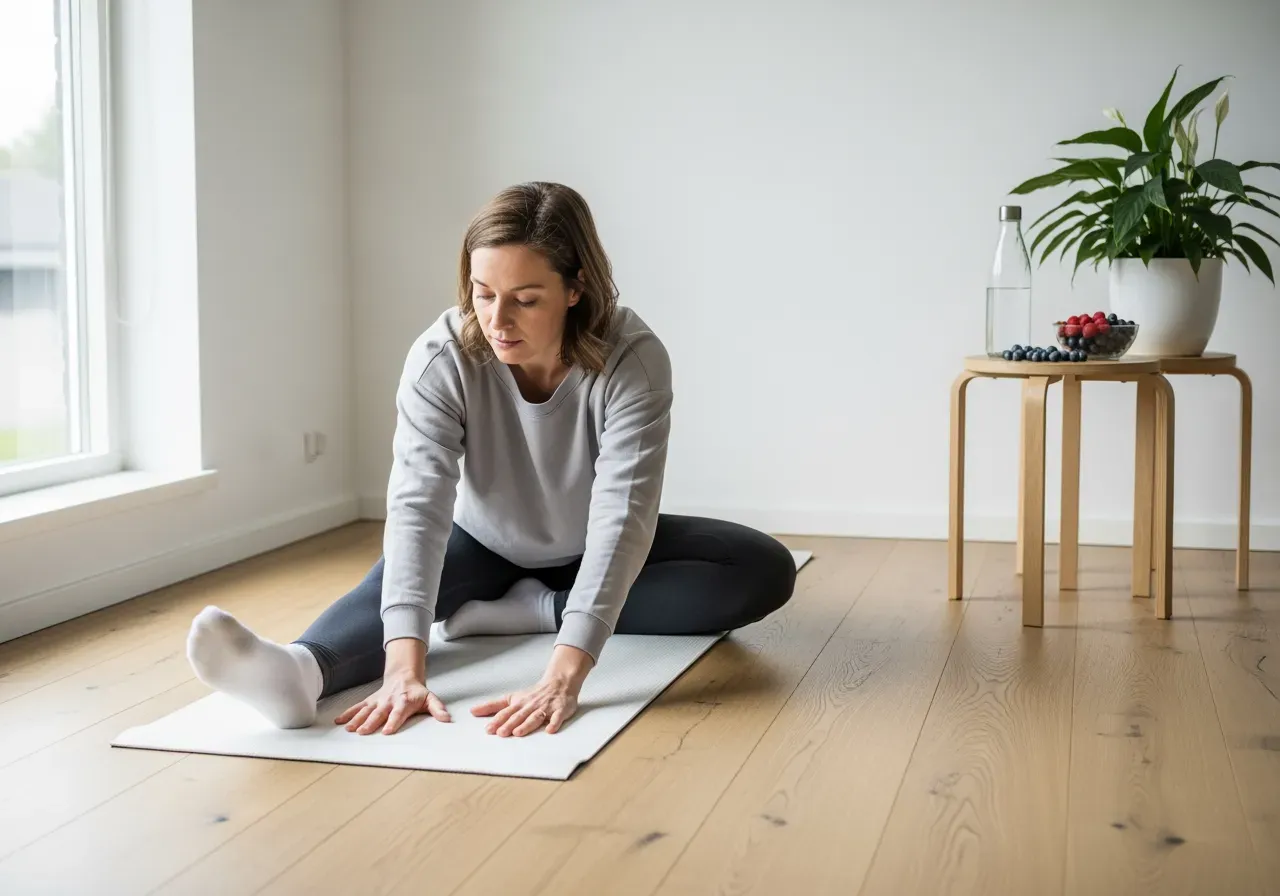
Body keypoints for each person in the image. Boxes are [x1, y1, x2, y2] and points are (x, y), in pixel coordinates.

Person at [185, 182, 797, 739]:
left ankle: (530, 611)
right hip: (480, 541)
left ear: (576, 288)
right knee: (397, 576)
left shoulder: (632, 360)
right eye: (483, 294)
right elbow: (418, 506)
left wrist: (565, 673)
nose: (497, 321)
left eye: (526, 300)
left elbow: (622, 517)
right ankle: (301, 671)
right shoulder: (442, 357)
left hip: (589, 540)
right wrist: (403, 669)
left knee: (762, 568)